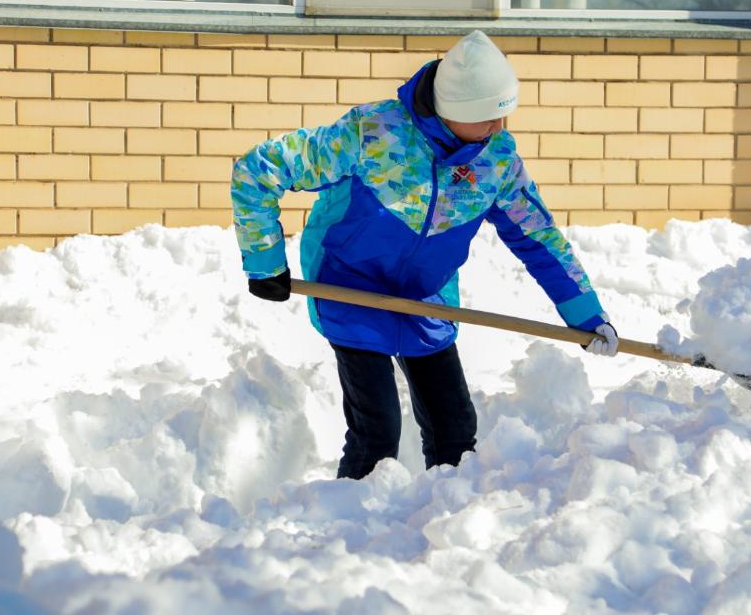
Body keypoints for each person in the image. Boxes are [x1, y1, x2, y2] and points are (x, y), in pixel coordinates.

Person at [231, 30, 619, 480]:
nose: (499, 129)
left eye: (503, 116)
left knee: (455, 429)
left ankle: (450, 526)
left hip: (425, 297)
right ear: (453, 111)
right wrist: (265, 263)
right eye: (487, 118)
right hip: (347, 286)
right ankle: (346, 529)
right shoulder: (371, 134)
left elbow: (539, 238)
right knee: (377, 433)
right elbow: (258, 170)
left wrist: (586, 315)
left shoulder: (496, 162)